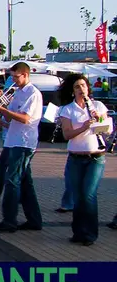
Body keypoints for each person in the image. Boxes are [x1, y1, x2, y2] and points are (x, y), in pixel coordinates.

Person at [0, 62, 43, 233]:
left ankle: (10, 220)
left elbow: (25, 118)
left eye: (16, 76)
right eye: (11, 76)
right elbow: (11, 119)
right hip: (13, 140)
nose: (13, 80)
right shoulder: (18, 92)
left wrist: (3, 111)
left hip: (24, 143)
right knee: (25, 182)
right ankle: (34, 220)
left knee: (12, 181)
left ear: (25, 75)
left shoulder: (33, 94)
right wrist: (0, 121)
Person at [57, 74, 109, 246]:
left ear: (88, 88)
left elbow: (107, 131)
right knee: (78, 197)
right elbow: (67, 134)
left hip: (96, 157)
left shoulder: (98, 106)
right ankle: (78, 232)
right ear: (72, 91)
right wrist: (85, 125)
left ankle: (90, 234)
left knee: (88, 194)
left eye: (83, 86)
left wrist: (99, 120)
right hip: (76, 157)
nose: (81, 90)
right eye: (77, 87)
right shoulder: (67, 110)